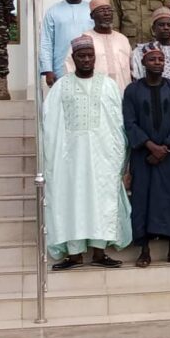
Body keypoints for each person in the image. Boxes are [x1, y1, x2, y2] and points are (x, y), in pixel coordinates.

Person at [45, 35, 131, 270]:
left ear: (95, 58)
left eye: (90, 56)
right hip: (70, 159)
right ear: (73, 59)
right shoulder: (61, 86)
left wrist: (118, 158)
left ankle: (99, 252)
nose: (86, 60)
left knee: (100, 201)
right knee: (72, 202)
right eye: (81, 56)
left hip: (102, 157)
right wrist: (56, 159)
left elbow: (117, 123)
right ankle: (74, 255)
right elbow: (51, 125)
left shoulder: (108, 85)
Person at [123, 42, 170, 267]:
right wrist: (150, 146)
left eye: (160, 59)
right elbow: (130, 123)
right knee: (143, 200)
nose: (157, 63)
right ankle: (144, 250)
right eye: (152, 59)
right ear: (143, 62)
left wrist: (167, 147)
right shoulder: (132, 90)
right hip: (143, 157)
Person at [65, 0, 132, 92]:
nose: (106, 13)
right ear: (92, 16)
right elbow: (70, 68)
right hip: (94, 94)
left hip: (121, 92)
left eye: (109, 10)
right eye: (101, 11)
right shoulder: (84, 40)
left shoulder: (122, 39)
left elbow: (132, 68)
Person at [39, 0, 92, 86]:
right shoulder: (53, 11)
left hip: (88, 67)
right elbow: (46, 42)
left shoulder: (91, 9)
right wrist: (48, 70)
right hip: (61, 68)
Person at [131, 7, 170, 83]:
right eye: (161, 25)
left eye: (169, 25)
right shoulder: (141, 50)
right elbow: (137, 77)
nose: (166, 28)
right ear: (153, 28)